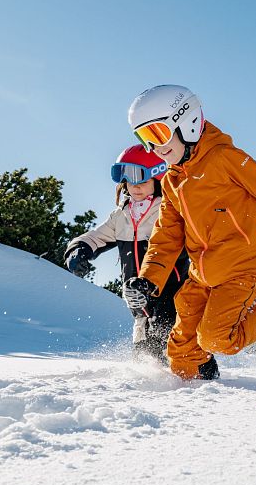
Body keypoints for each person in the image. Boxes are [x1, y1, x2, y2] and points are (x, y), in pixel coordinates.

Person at [121, 84, 256, 381]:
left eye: (157, 134)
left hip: (241, 268)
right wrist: (148, 280)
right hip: (202, 273)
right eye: (145, 139)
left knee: (216, 339)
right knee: (181, 356)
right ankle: (201, 395)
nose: (155, 148)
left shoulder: (225, 158)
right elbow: (166, 235)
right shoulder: (172, 181)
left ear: (186, 122)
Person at [63, 145, 189, 362]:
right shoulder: (121, 216)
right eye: (130, 182)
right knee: (143, 356)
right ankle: (153, 392)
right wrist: (78, 250)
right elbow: (95, 237)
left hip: (170, 293)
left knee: (171, 344)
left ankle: (200, 380)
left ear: (158, 180)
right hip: (137, 300)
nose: (135, 187)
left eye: (142, 181)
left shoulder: (168, 211)